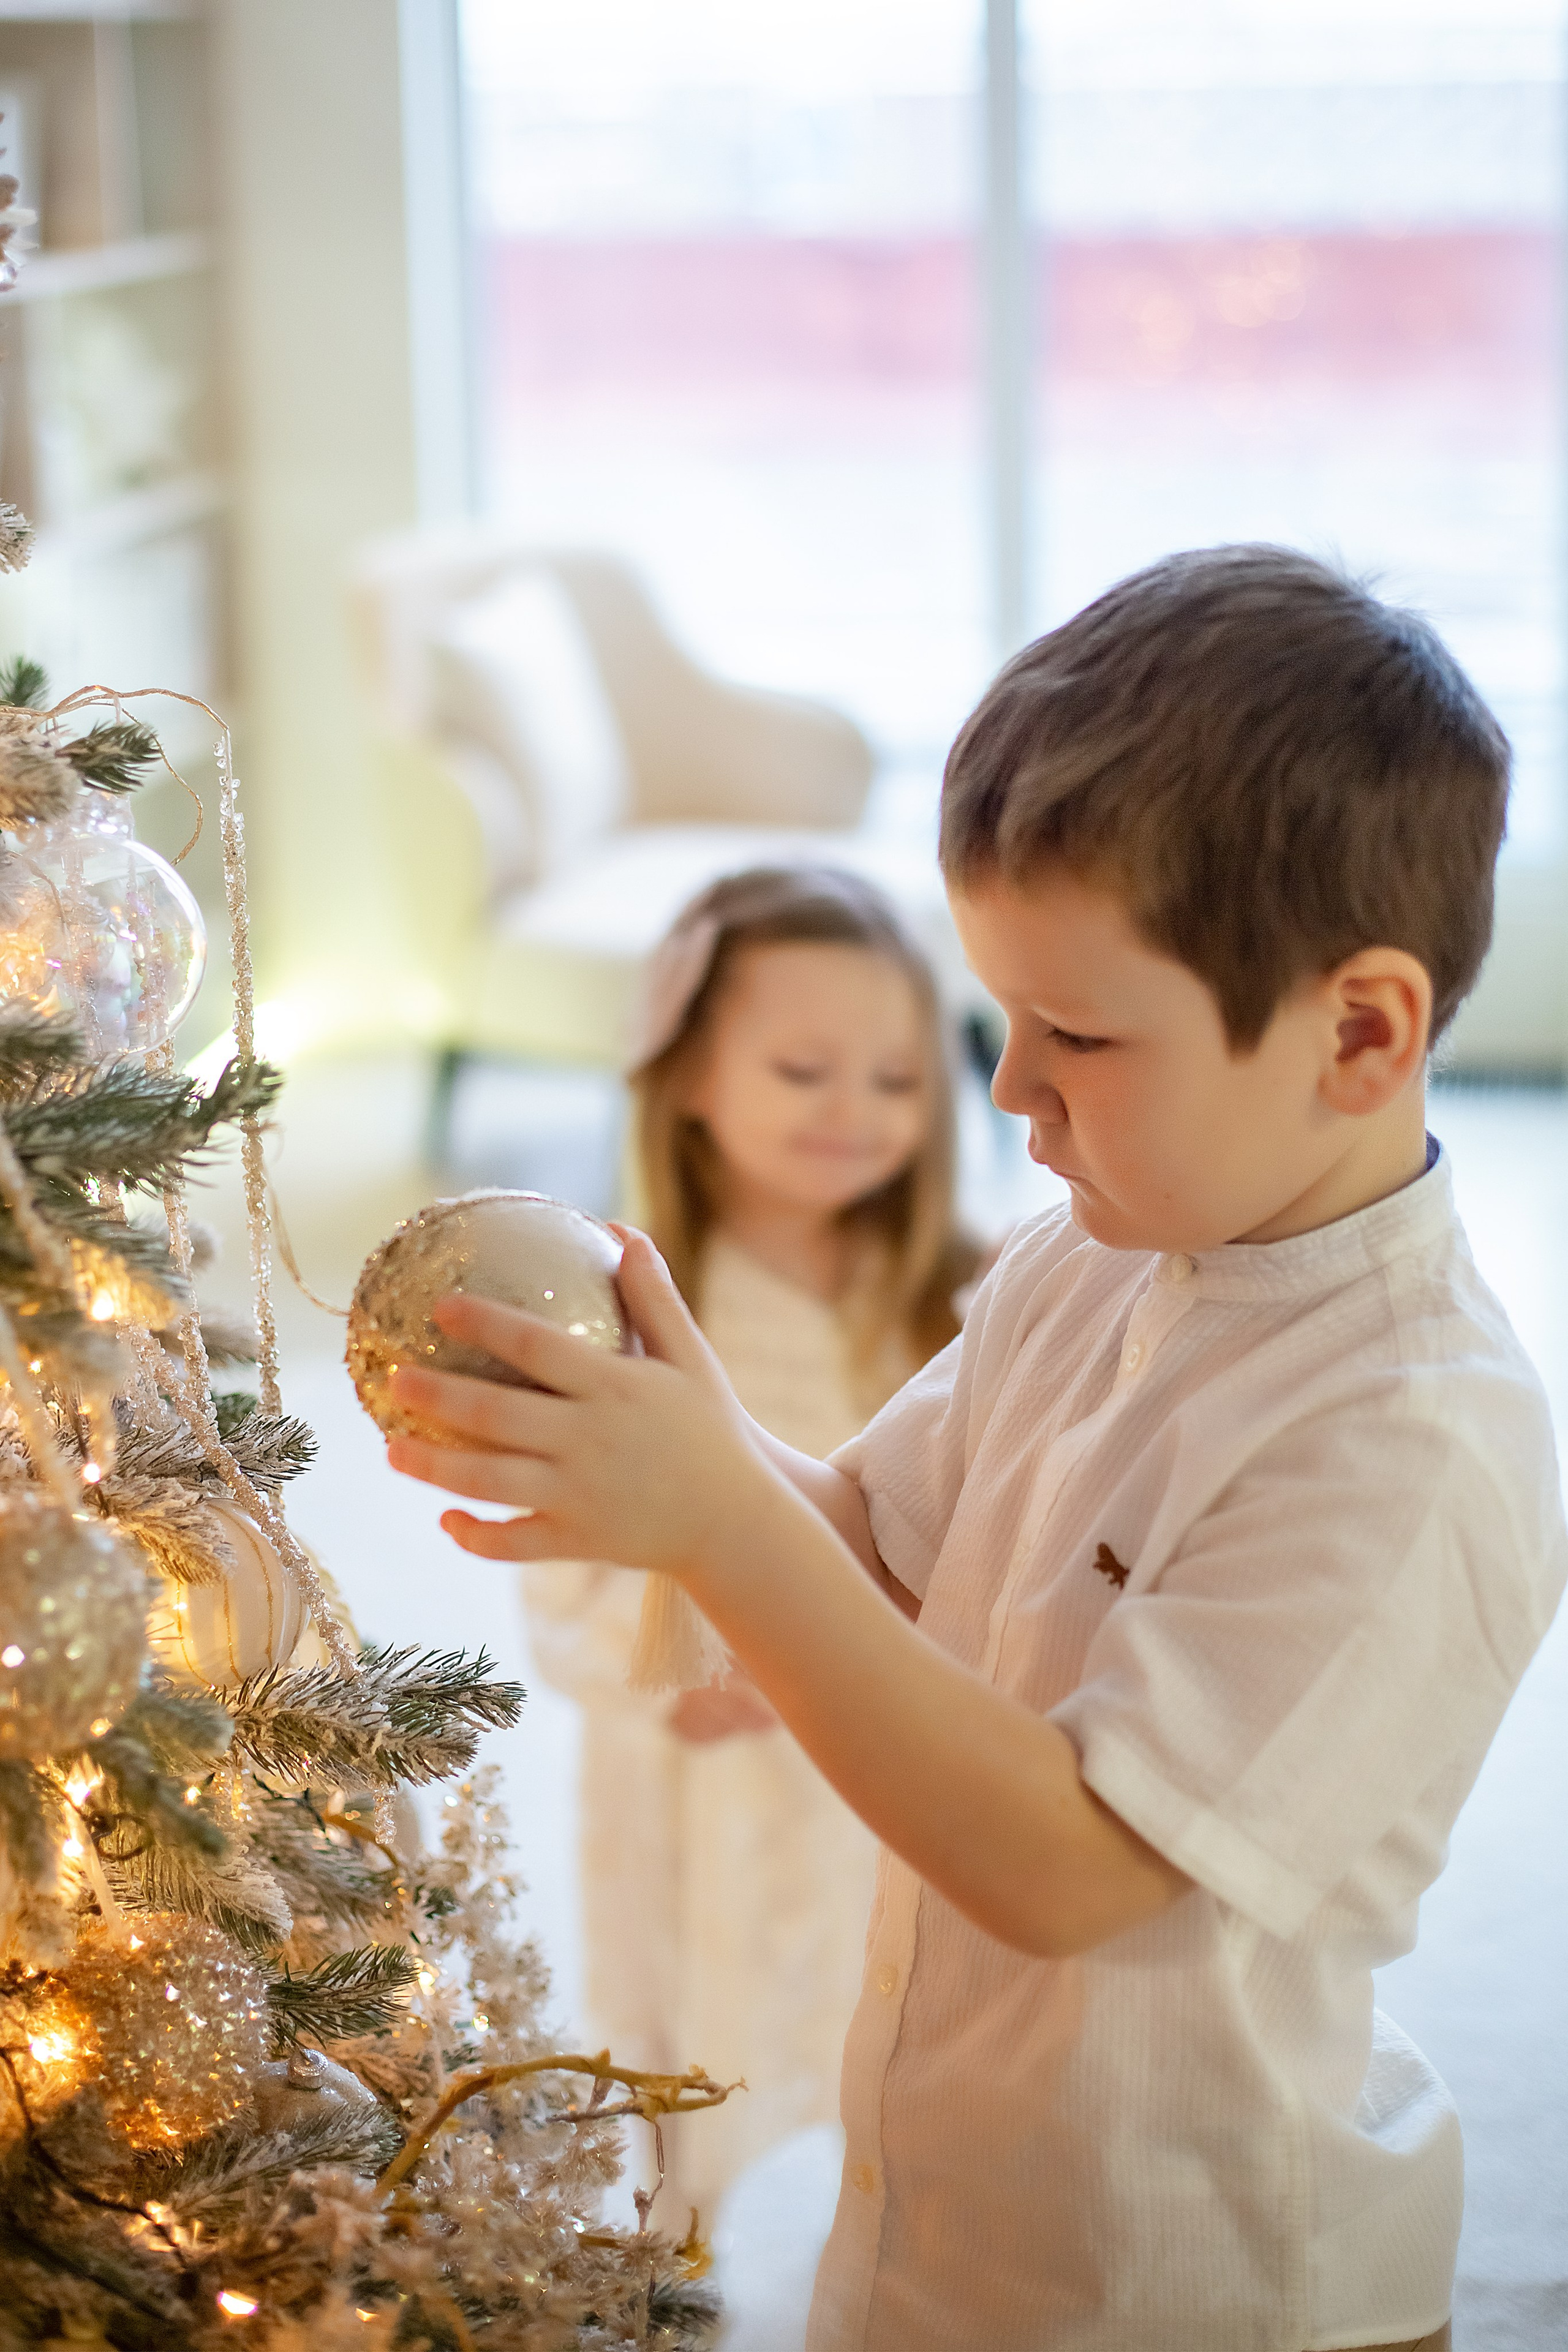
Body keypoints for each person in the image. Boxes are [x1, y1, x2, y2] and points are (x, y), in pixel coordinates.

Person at [386, 546, 1568, 2352]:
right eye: (1001, 1016)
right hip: (949, 2225)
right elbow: (872, 1534)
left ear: (1360, 1030)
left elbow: (1064, 1867)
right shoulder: (1094, 1253)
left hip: (1203, 2290)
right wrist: (674, 1433)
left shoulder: (1414, 1441)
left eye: (1079, 1034)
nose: (1005, 1089)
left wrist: (713, 1522)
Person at [519, 866, 986, 2225]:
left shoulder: (962, 1299)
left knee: (888, 2015)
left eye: (897, 1080)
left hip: (890, 1752)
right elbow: (568, 1558)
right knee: (696, 2034)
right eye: (803, 1069)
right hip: (703, 1760)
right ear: (689, 1076)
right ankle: (681, 2241)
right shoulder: (619, 1312)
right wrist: (677, 1670)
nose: (855, 1113)